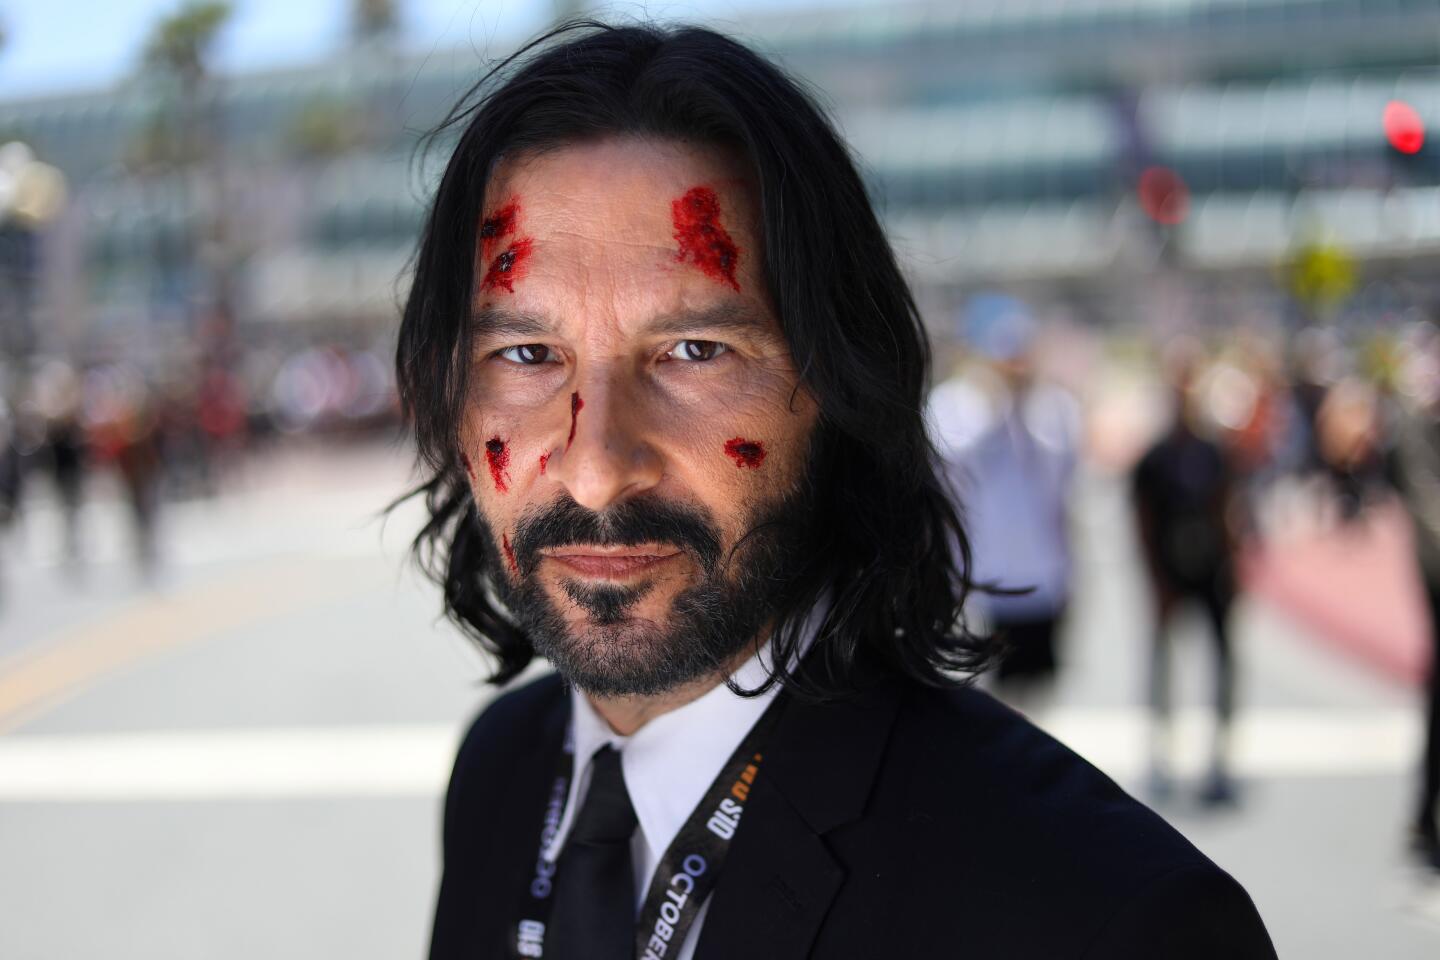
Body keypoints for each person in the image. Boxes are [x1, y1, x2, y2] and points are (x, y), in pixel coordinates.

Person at [397, 22, 1276, 959]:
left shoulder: (1112, 919)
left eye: (695, 351)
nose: (598, 465)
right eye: (526, 354)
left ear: (840, 388)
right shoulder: (502, 774)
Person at [928, 300, 1080, 709]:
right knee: (986, 694)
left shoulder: (1053, 409)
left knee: (1037, 688)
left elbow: (1062, 489)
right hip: (984, 579)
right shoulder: (957, 407)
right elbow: (947, 478)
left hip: (1041, 576)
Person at [1131, 345, 1240, 807]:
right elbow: (1142, 521)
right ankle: (1161, 745)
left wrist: (1232, 564)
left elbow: (1227, 507)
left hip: (1210, 569)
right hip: (1170, 569)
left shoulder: (1213, 451)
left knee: (1223, 659)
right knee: (1163, 660)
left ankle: (1219, 749)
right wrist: (1155, 581)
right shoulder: (1153, 458)